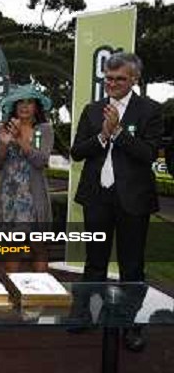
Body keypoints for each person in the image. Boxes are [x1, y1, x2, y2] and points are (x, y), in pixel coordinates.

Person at [71, 52, 163, 351]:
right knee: (93, 262)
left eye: (119, 79)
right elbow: (77, 151)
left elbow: (148, 154)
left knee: (132, 267)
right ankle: (84, 315)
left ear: (134, 79)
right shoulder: (92, 109)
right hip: (97, 197)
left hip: (133, 200)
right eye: (108, 79)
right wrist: (102, 135)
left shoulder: (150, 110)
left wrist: (119, 132)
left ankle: (130, 326)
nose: (111, 84)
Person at [0, 83, 54, 272]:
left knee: (39, 247)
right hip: (10, 197)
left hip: (32, 197)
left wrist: (19, 138)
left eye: (29, 102)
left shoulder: (44, 129)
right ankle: (14, 294)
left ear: (36, 107)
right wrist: (3, 145)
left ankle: (40, 294)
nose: (24, 106)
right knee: (13, 248)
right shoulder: (5, 128)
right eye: (20, 102)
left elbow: (40, 161)